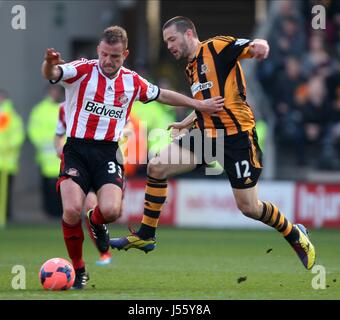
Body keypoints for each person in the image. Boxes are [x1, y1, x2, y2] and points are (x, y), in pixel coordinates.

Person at [110, 16, 316, 270]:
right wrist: (187, 122)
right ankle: (146, 235)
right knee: (157, 166)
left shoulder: (216, 47)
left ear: (188, 34)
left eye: (172, 39)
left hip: (237, 137)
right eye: (166, 42)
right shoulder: (191, 67)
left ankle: (294, 234)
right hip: (207, 136)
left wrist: (260, 46)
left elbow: (252, 45)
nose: (169, 46)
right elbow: (208, 103)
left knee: (249, 207)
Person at [41, 25, 224, 289]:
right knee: (70, 210)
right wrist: (48, 64)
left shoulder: (132, 81)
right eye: (104, 54)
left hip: (108, 153)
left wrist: (197, 104)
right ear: (98, 50)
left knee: (112, 211)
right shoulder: (81, 70)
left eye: (114, 56)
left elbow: (162, 95)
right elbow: (54, 73)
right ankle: (79, 270)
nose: (108, 61)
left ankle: (96, 222)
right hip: (77, 150)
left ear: (124, 54)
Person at [54, 102, 112, 266]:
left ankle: (104, 252)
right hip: (77, 163)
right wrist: (58, 147)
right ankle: (97, 256)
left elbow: (126, 126)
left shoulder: (102, 100)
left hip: (102, 161)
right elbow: (58, 134)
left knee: (99, 208)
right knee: (77, 209)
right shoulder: (64, 108)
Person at [27, 85, 64, 218]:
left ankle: (61, 212)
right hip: (46, 156)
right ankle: (49, 213)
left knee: (63, 186)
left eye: (56, 91)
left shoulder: (66, 107)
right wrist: (43, 143)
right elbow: (33, 129)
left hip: (62, 155)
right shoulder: (39, 110)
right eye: (52, 91)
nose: (54, 94)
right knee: (48, 186)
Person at [0, 90, 25, 222]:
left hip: (7, 160)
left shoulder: (11, 116)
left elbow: (17, 135)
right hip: (5, 158)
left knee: (6, 191)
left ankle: (6, 215)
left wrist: (8, 145)